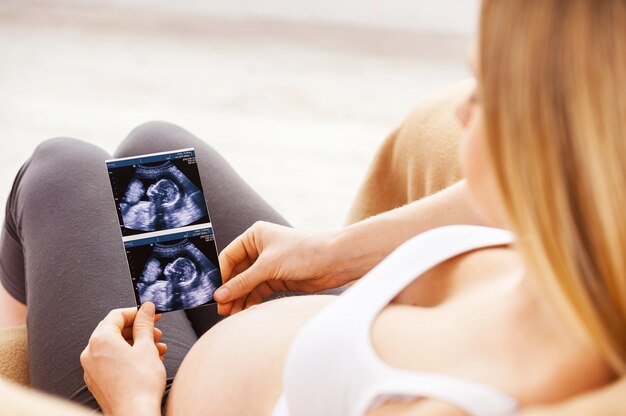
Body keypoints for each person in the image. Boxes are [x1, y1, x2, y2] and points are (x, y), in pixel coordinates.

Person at [1, 0, 625, 415]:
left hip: (161, 396)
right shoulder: (584, 240)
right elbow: (511, 199)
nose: (462, 108)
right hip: (302, 328)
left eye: (489, 96)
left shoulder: (457, 402)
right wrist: (330, 252)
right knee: (153, 151)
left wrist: (132, 399)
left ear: (559, 145)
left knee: (61, 170)